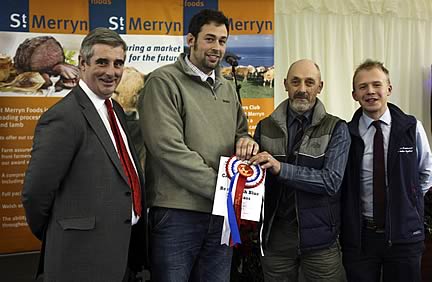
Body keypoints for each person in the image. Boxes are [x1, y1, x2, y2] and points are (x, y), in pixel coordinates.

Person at [138, 9, 258, 282]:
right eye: (210, 39)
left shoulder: (227, 87)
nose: (217, 47)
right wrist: (222, 189)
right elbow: (168, 149)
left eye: (222, 41)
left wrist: (246, 141)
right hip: (177, 214)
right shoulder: (163, 81)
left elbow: (241, 132)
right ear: (191, 39)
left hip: (221, 216)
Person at [22, 27, 147, 282]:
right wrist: (63, 232)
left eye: (118, 63)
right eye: (102, 62)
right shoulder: (63, 117)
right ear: (82, 63)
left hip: (121, 255)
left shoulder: (116, 110)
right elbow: (35, 193)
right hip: (79, 259)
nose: (111, 72)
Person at [249, 59, 350, 281]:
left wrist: (281, 169)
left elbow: (330, 181)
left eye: (309, 82)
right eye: (295, 82)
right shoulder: (264, 127)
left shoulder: (337, 129)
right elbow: (255, 180)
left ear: (320, 86)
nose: (302, 89)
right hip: (276, 240)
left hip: (321, 241)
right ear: (285, 84)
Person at [341, 59, 432, 282]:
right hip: (361, 239)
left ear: (389, 89)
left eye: (376, 85)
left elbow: (426, 174)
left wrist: (408, 203)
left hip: (405, 236)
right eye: (363, 87)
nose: (370, 91)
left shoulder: (412, 127)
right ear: (354, 94)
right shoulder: (344, 133)